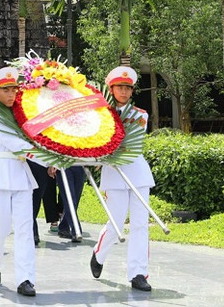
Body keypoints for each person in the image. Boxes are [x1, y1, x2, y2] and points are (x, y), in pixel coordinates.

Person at [91, 66, 155, 291]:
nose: (124, 91)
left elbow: (127, 141)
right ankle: (99, 254)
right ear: (111, 88)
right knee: (116, 222)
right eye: (120, 87)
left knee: (140, 224)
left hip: (137, 171)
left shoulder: (140, 115)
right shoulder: (100, 114)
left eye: (127, 88)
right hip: (114, 172)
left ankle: (138, 273)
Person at [0, 66, 38, 297]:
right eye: (5, 90)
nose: (10, 94)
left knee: (25, 229)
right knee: (3, 228)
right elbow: (18, 146)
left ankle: (25, 279)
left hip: (21, 176)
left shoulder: (23, 117)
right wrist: (53, 156)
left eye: (13, 90)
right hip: (0, 176)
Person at [53, 165, 85, 242]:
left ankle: (64, 226)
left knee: (75, 200)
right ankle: (76, 231)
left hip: (79, 165)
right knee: (70, 200)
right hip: (63, 165)